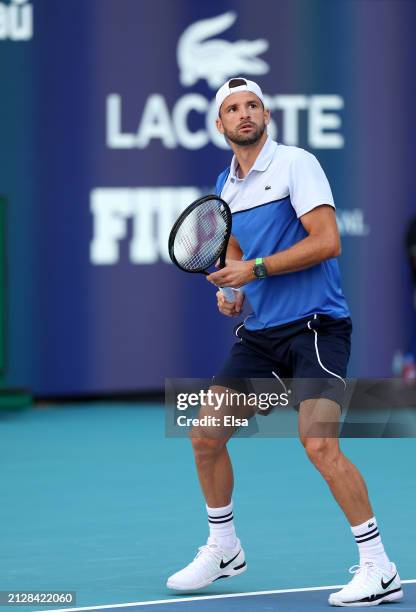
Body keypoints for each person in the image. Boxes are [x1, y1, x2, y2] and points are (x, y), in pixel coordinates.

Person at [167, 78, 402, 606]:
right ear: (219, 124)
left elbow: (327, 242)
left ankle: (378, 567)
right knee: (205, 434)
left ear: (266, 115)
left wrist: (251, 269)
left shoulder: (297, 163)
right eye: (233, 109)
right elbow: (234, 260)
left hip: (316, 326)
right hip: (261, 335)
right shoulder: (225, 187)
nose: (244, 114)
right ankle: (224, 548)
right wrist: (230, 292)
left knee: (318, 443)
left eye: (252, 105)